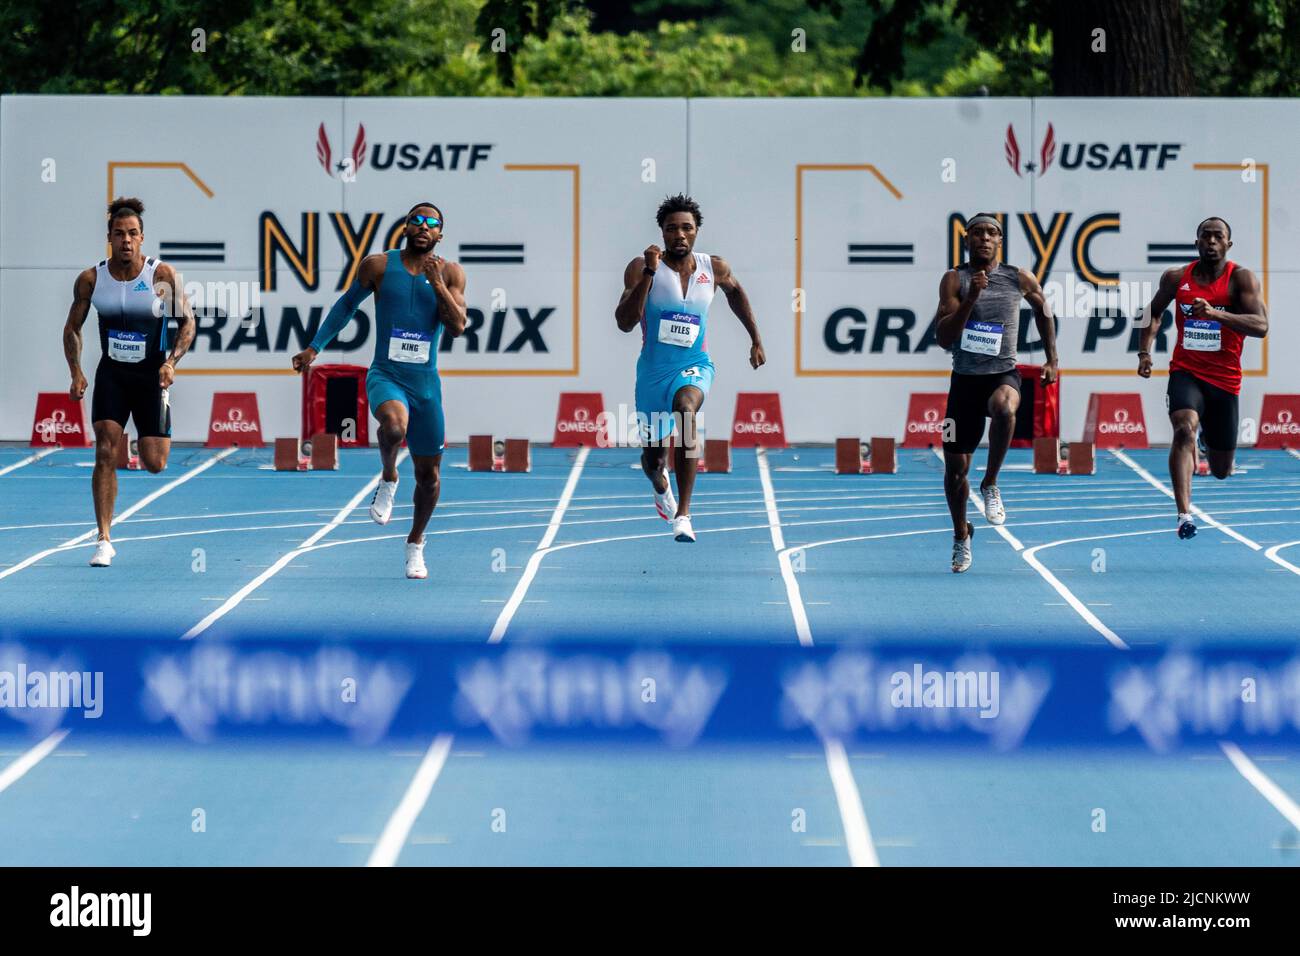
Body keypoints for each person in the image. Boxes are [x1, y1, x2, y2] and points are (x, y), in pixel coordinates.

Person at [292, 202, 467, 578]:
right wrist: (314, 347)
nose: (423, 226)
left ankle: (415, 543)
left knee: (430, 478)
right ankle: (388, 476)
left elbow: (457, 326)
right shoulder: (378, 266)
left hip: (426, 386)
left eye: (432, 223)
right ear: (404, 228)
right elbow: (345, 306)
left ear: (440, 235)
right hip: (386, 374)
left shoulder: (450, 273)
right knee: (392, 428)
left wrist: (437, 285)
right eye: (416, 221)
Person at [614, 194, 765, 542]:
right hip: (652, 373)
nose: (679, 234)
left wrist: (755, 338)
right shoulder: (641, 267)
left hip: (695, 365)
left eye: (687, 228)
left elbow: (737, 294)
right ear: (662, 233)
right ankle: (661, 485)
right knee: (653, 459)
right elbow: (624, 322)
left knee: (686, 411)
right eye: (672, 229)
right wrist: (650, 272)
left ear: (696, 232)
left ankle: (684, 513)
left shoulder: (714, 268)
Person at [63, 197, 195, 567]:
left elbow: (188, 323)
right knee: (105, 448)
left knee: (155, 463)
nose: (126, 240)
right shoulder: (92, 279)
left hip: (151, 375)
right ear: (109, 237)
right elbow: (72, 328)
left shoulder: (160, 276)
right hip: (113, 374)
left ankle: (152, 425)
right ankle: (103, 538)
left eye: (133, 234)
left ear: (142, 238)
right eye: (119, 234)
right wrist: (76, 371)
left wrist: (171, 362)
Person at [934, 213, 1058, 572]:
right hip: (964, 382)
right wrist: (971, 298)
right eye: (977, 233)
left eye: (991, 233)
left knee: (1005, 407)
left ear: (1000, 240)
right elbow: (943, 338)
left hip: (1003, 373)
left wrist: (1052, 358)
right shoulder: (953, 279)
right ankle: (961, 535)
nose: (984, 238)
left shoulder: (1018, 277)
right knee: (955, 471)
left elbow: (1044, 310)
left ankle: (990, 483)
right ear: (967, 239)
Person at [1137, 216, 1268, 538]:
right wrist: (1144, 352)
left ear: (1228, 244)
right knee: (1184, 428)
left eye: (1218, 237)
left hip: (1224, 379)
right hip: (1187, 371)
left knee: (1222, 471)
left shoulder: (1241, 279)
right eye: (1205, 236)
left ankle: (1209, 441)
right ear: (1196, 242)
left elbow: (1261, 327)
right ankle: (1184, 514)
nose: (1211, 241)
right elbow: (1152, 312)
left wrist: (1215, 313)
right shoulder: (1176, 277)